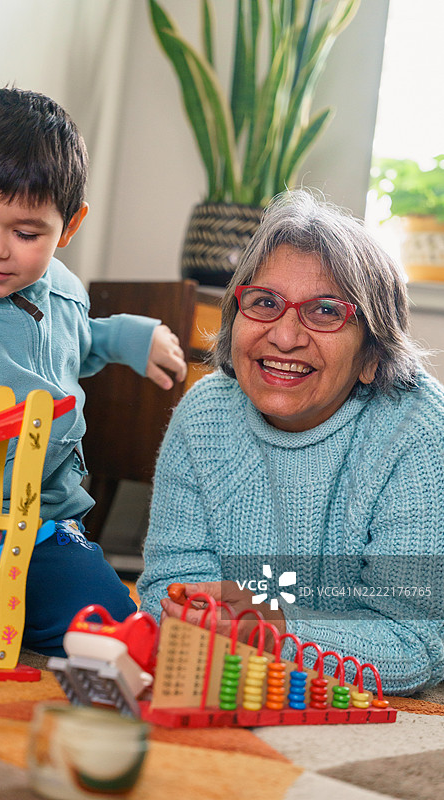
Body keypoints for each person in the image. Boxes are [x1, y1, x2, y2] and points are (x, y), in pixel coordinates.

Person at [0, 87, 187, 656]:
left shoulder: (64, 292)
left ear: (69, 226)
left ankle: (6, 601)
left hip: (38, 524)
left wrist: (133, 339)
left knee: (110, 629)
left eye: (25, 233)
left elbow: (77, 345)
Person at [137, 189, 444, 695]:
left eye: (325, 311)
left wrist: (273, 630)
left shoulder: (417, 433)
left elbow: (415, 644)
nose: (283, 336)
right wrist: (195, 612)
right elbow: (168, 591)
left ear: (372, 356)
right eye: (264, 303)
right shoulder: (204, 415)